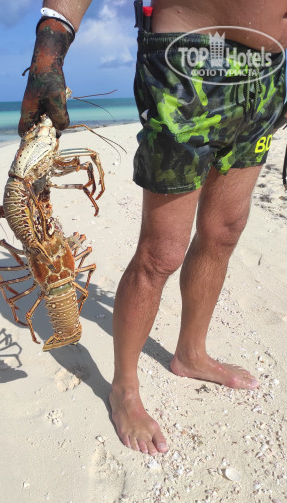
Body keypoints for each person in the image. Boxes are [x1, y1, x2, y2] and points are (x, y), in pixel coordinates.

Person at [19, 0, 287, 455]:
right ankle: (123, 388)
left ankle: (191, 353)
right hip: (187, 58)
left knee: (225, 229)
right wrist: (51, 45)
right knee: (162, 252)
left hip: (268, 71)